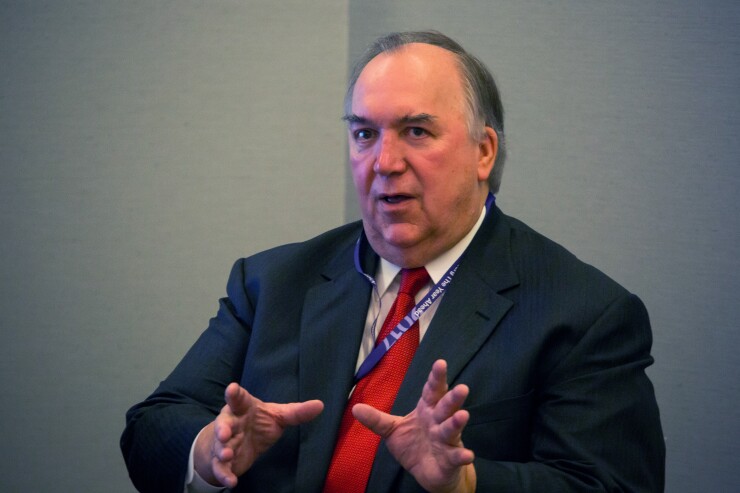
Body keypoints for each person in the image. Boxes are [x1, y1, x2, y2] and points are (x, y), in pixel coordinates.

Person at [121, 31, 665, 492]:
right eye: (364, 133)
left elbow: (609, 483)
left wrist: (467, 483)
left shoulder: (585, 313)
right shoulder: (271, 282)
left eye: (416, 132)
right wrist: (208, 450)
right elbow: (152, 424)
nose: (384, 162)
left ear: (484, 152)